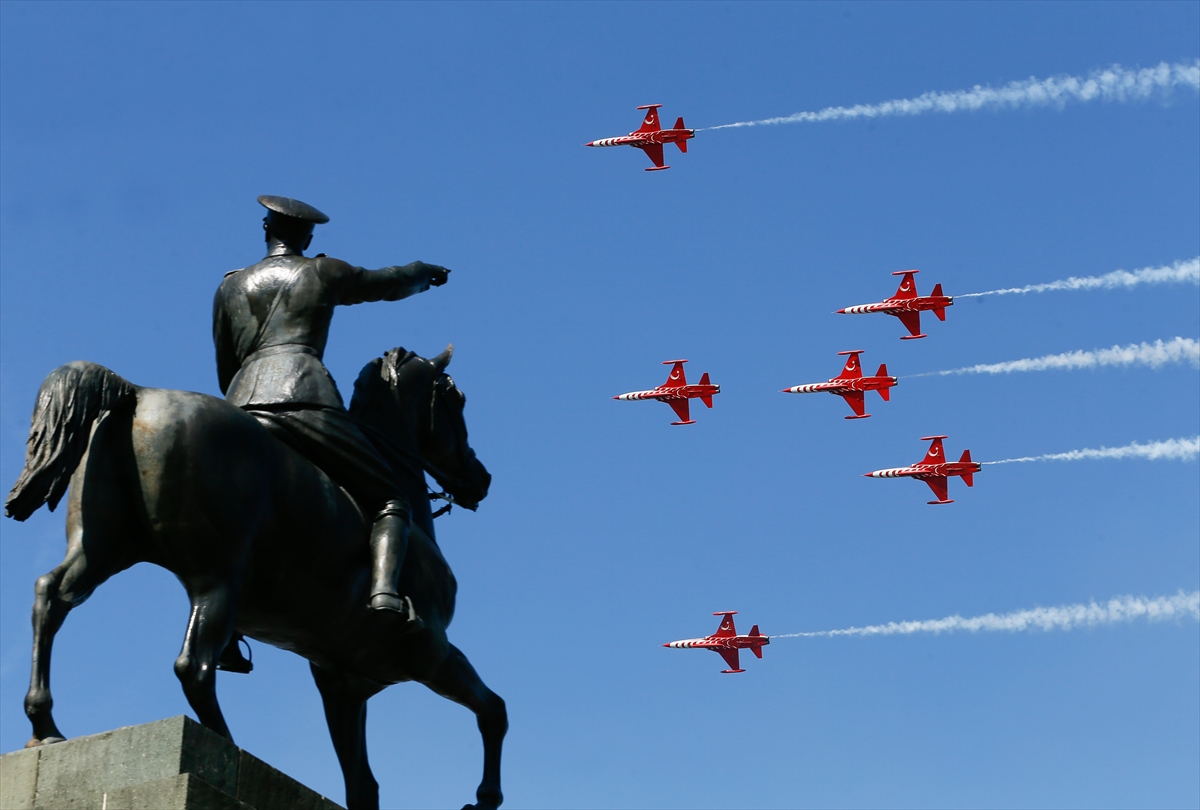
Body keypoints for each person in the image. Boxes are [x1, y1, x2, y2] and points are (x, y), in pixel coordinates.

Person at [213, 195, 448, 634]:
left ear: (266, 229)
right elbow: (384, 282)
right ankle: (384, 594)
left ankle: (226, 618)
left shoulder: (229, 285)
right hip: (303, 395)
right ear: (308, 236)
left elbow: (226, 361)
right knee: (390, 498)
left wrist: (239, 404)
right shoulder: (320, 271)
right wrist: (422, 273)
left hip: (240, 403)